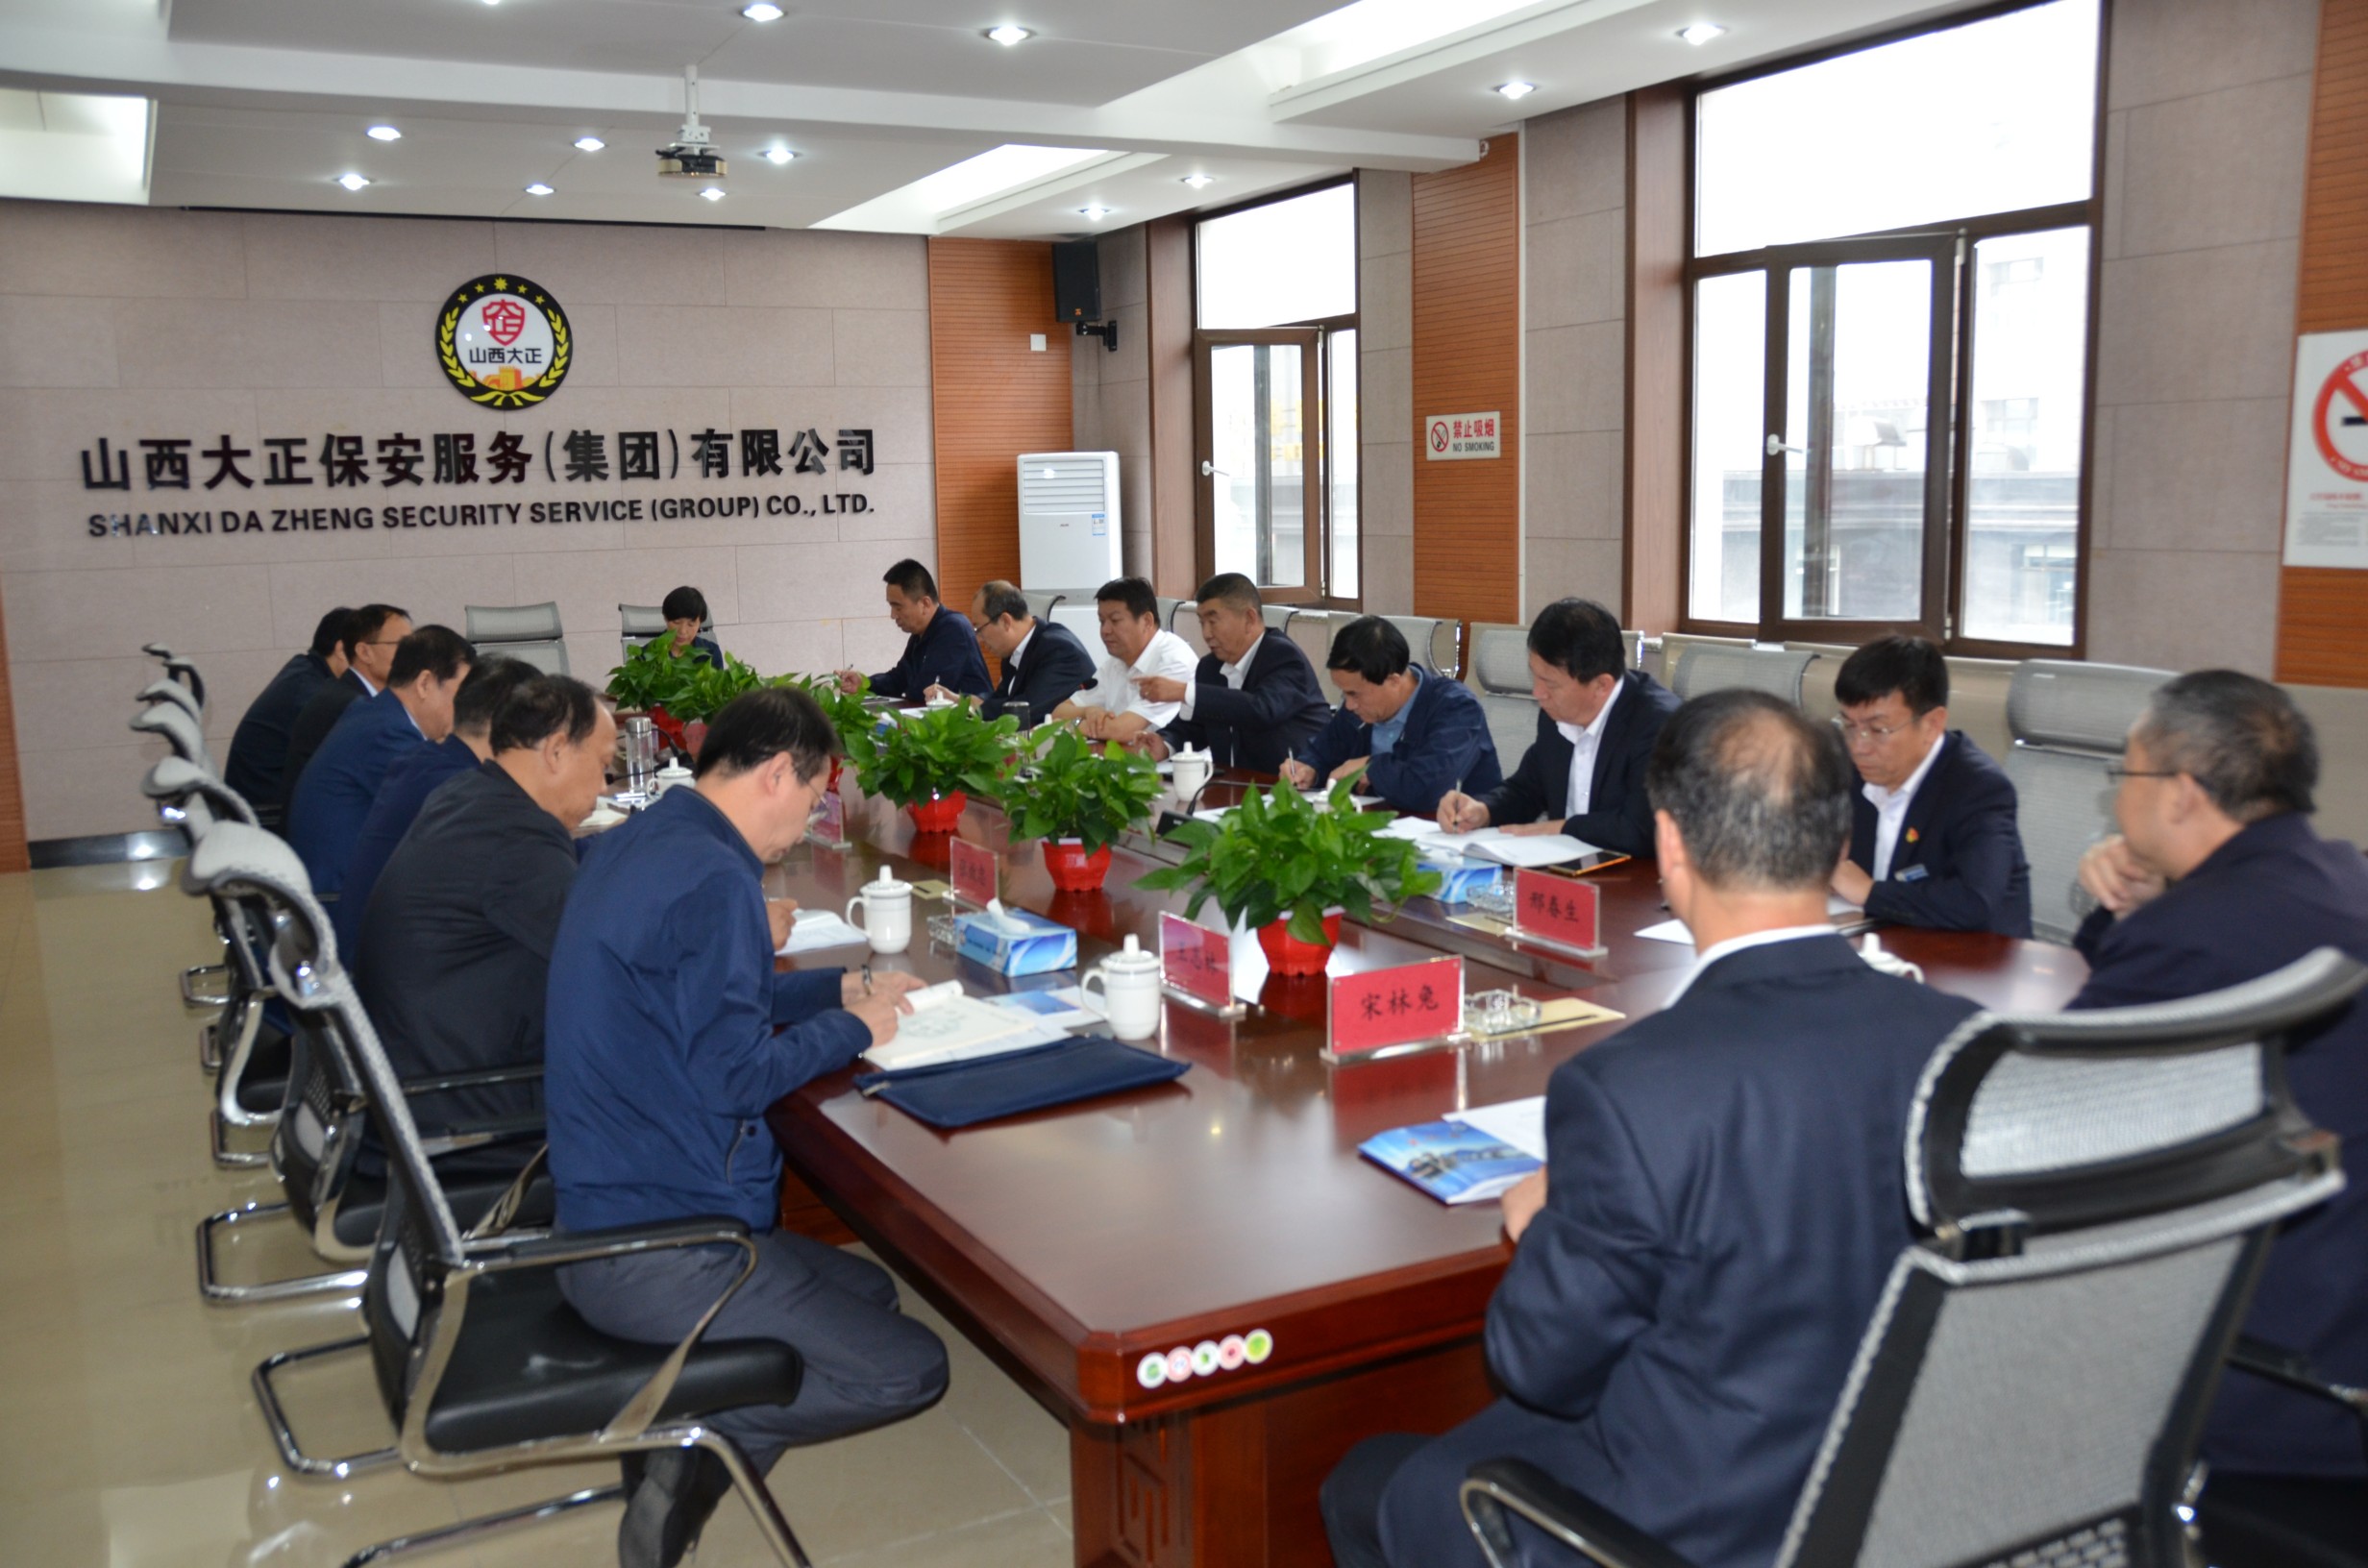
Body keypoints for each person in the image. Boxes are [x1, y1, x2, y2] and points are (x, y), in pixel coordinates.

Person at [1321, 690, 1981, 1568]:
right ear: (1838, 847)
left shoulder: (1630, 1088)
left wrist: (1545, 1220)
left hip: (1692, 1519)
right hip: (1901, 1494)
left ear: (1669, 846)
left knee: (1374, 1483)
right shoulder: (1967, 1044)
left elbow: (1538, 1365)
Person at [546, 687, 950, 1568]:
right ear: (776, 774)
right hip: (660, 1249)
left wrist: (837, 989)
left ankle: (698, 1435)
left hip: (597, 1217)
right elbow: (733, 1077)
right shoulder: (716, 877)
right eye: (813, 796)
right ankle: (697, 1441)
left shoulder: (652, 838)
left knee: (868, 1292)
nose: (808, 825)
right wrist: (857, 1030)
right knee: (910, 1368)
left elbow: (700, 993)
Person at [2070, 671, 2368, 1501]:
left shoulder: (2196, 933)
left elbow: (2049, 1119)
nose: (2118, 799)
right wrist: (2141, 907)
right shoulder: (2341, 877)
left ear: (2181, 794)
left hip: (2268, 1378)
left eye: (2125, 773)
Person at [357, 673, 615, 1150]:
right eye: (603, 766)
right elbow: (613, 962)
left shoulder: (469, 795)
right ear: (557, 750)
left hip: (423, 1088)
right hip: (469, 1121)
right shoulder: (516, 840)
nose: (603, 787)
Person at [1436, 598, 1678, 858]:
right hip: (1563, 868)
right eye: (1535, 676)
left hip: (1635, 876)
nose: (1538, 693)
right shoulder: (1556, 714)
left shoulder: (1660, 726)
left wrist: (1562, 828)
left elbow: (1641, 829)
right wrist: (1482, 810)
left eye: (1550, 684)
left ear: (1601, 685)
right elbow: (1527, 789)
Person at [333, 657, 539, 958]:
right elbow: (533, 865)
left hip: (377, 956)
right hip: (395, 967)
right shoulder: (460, 787)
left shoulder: (427, 761)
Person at [1830, 634, 2032, 936]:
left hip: (1972, 955)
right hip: (1882, 942)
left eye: (1878, 729)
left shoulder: (1979, 789)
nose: (1859, 746)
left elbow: (1973, 901)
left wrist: (1869, 892)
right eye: (1849, 725)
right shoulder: (1851, 771)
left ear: (1932, 725)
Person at [285, 625, 473, 900]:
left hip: (343, 890)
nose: (465, 710)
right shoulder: (387, 733)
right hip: (340, 902)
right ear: (424, 683)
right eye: (461, 694)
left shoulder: (376, 714)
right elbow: (451, 810)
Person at [1280, 616, 1503, 817]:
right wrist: (1308, 769)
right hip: (1377, 825)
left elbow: (1428, 789)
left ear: (1394, 681)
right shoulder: (1358, 708)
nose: (1348, 705)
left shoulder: (1456, 708)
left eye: (1354, 694)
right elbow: (1324, 751)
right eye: (1344, 693)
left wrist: (1370, 767)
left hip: (1451, 835)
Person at [1137, 574, 1328, 773]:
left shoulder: (1283, 657)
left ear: (1249, 618)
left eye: (1213, 621)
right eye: (1202, 622)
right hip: (1232, 784)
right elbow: (1196, 726)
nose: (1206, 633)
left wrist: (1184, 692)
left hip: (1290, 785)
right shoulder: (1209, 667)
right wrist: (1165, 744)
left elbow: (1261, 709)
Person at [224, 606, 352, 822]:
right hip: (265, 813)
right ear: (341, 649)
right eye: (365, 649)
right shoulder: (311, 693)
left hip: (256, 802)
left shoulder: (305, 670)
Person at [283, 602, 411, 813]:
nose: (413, 655)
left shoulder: (348, 693)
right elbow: (401, 783)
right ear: (364, 652)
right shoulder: (350, 705)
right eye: (402, 645)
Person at [1048, 576, 1199, 744]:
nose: (1105, 630)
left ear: (1147, 621)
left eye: (1115, 621)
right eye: (1102, 621)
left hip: (1169, 758)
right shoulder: (1116, 662)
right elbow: (1058, 713)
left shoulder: (1173, 661)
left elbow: (1122, 731)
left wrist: (1068, 726)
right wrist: (1087, 711)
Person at [833, 559, 989, 701]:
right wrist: (864, 683)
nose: (893, 615)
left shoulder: (953, 629)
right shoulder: (919, 634)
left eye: (898, 607)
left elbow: (924, 691)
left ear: (925, 604)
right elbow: (898, 679)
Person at [943, 579, 1097, 723]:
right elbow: (1001, 698)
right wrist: (962, 701)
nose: (979, 639)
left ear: (1005, 621)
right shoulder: (1015, 651)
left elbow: (1025, 710)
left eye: (979, 629)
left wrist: (969, 709)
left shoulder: (1058, 649)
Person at [661, 585, 724, 667]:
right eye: (677, 622)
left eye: (691, 624)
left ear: (700, 623)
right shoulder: (649, 653)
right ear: (666, 618)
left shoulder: (711, 652)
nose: (682, 631)